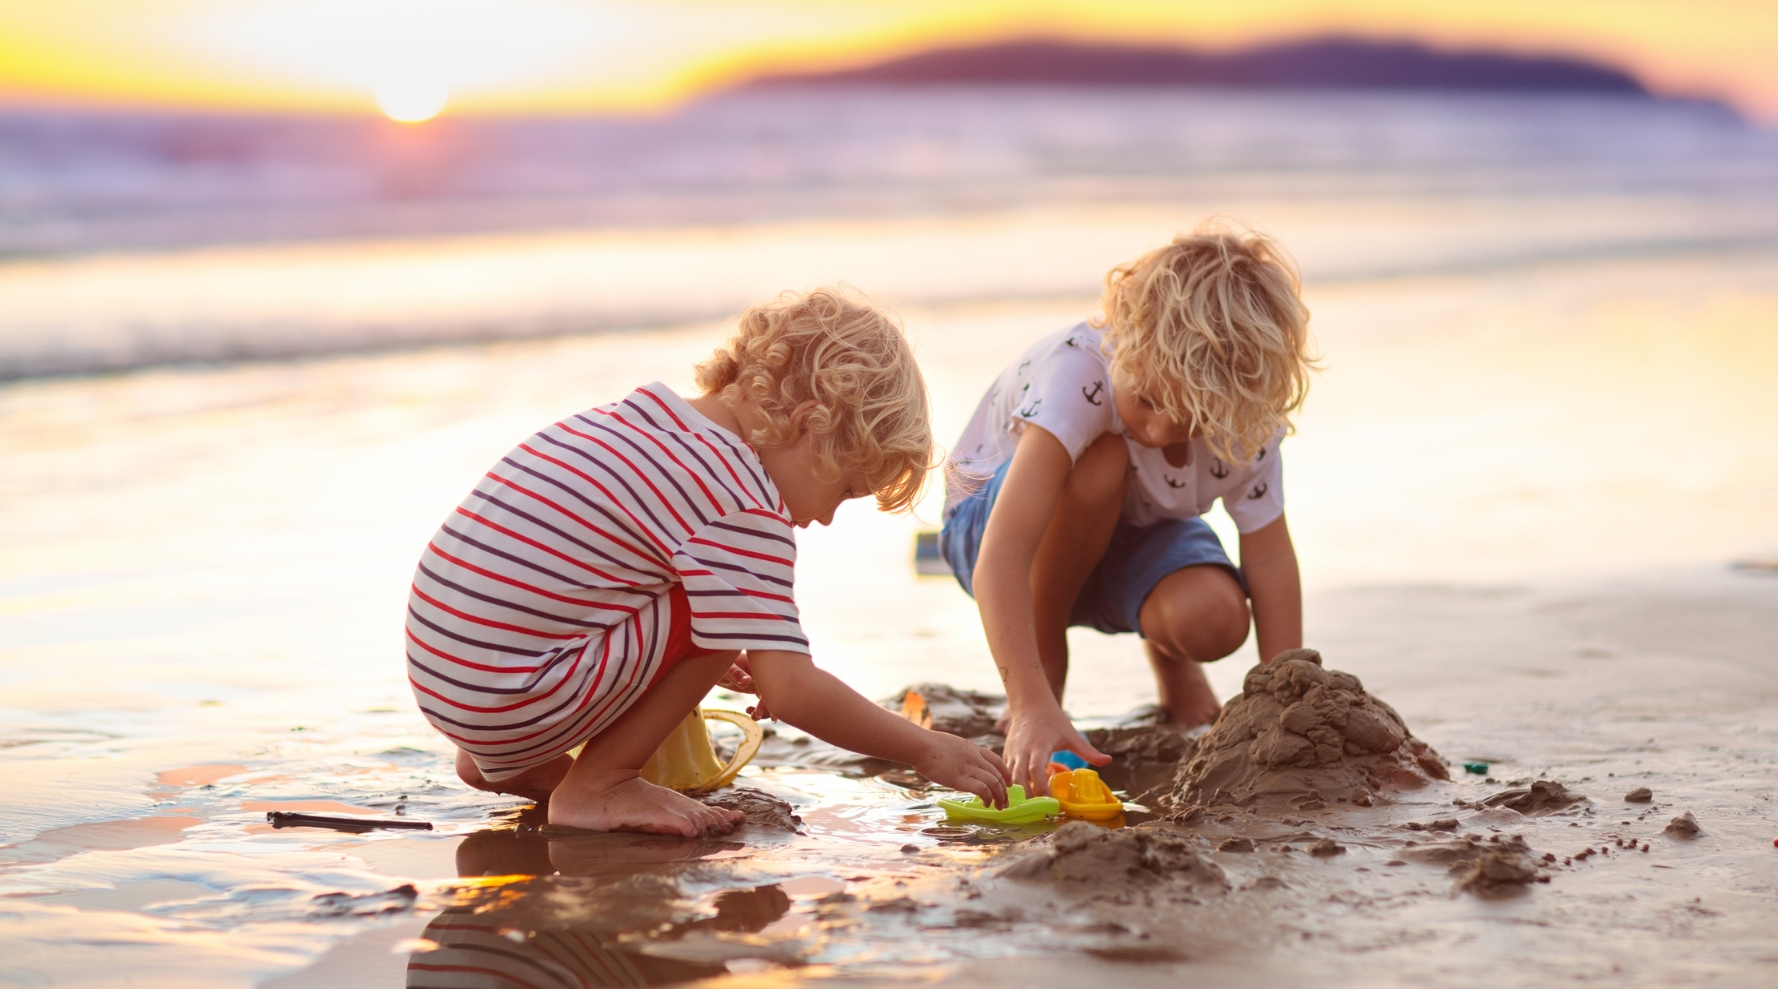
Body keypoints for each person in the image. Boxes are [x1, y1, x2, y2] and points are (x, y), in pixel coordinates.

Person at [406, 288, 1009, 836]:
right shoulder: (744, 499)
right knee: (723, 612)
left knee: (725, 611)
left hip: (447, 679)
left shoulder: (637, 421)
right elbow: (795, 692)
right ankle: (601, 785)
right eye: (847, 489)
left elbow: (565, 576)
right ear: (810, 426)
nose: (825, 519)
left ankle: (502, 760)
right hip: (516, 696)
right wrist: (928, 750)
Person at [939, 226, 1316, 793]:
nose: (1160, 429)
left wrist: (1287, 696)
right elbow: (1005, 551)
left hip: (1130, 532)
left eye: (1190, 420)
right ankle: (1047, 676)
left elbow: (1267, 558)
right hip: (996, 529)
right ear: (1126, 342)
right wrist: (1030, 699)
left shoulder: (1245, 419)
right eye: (1147, 398)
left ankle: (1174, 668)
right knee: (1104, 459)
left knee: (1217, 618)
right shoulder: (1079, 374)